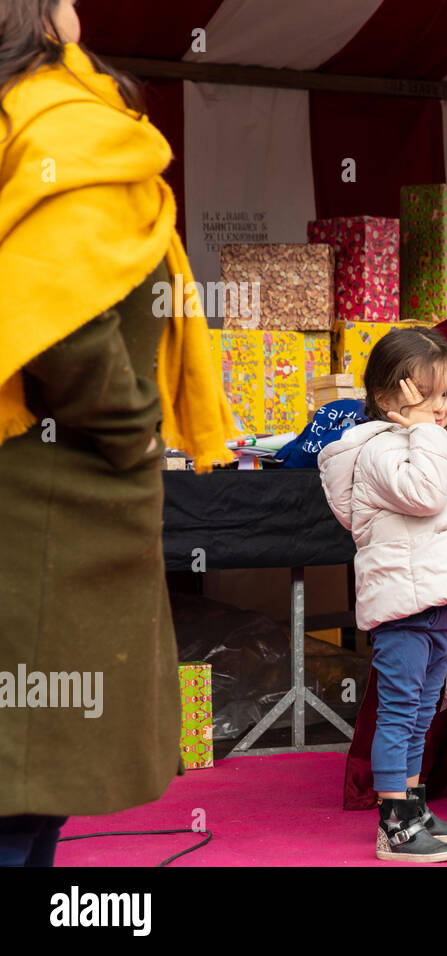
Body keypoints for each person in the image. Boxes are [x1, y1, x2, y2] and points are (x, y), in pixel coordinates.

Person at [0, 0, 235, 867]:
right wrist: (135, 429)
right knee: (28, 788)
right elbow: (61, 319)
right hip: (53, 496)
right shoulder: (63, 122)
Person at [318, 327, 447, 863]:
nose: (441, 408)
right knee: (400, 710)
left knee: (422, 713)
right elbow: (425, 495)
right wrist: (424, 433)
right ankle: (395, 824)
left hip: (440, 606)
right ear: (387, 398)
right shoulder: (382, 452)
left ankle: (412, 803)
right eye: (426, 395)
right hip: (405, 610)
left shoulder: (429, 450)